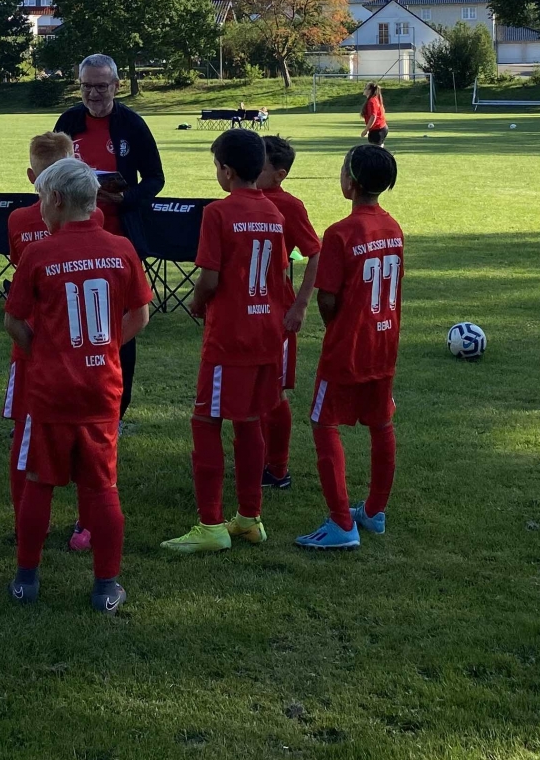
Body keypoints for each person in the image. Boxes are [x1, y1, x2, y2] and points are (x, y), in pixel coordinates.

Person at [3, 158, 153, 612]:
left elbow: (14, 321)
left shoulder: (39, 253)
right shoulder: (121, 248)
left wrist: (46, 352)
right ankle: (106, 586)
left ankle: (26, 579)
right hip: (100, 386)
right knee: (102, 486)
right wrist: (106, 347)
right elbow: (141, 314)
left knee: (38, 482)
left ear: (56, 200)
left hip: (51, 388)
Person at [162, 128, 289, 555]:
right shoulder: (273, 212)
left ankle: (211, 524)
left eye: (216, 166)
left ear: (227, 171)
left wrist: (196, 304)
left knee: (206, 422)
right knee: (249, 421)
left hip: (230, 336)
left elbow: (211, 278)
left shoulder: (218, 212)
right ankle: (250, 518)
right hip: (266, 332)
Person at [297, 144, 403, 550]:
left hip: (349, 345)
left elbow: (327, 298)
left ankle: (342, 523)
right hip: (384, 341)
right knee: (381, 423)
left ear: (351, 182)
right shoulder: (393, 227)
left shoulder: (340, 233)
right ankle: (374, 511)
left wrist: (338, 328)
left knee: (324, 423)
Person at [53, 54, 164, 421]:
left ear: (117, 85)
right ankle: (69, 401)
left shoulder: (132, 124)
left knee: (119, 325)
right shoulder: (69, 121)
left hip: (119, 238)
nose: (93, 94)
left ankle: (117, 408)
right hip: (73, 237)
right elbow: (53, 171)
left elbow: (155, 178)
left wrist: (125, 197)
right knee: (70, 323)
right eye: (86, 86)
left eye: (101, 86)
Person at [5, 131, 104, 541]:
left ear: (34, 178)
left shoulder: (19, 221)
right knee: (88, 439)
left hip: (34, 344)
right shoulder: (96, 220)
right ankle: (86, 524)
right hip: (86, 348)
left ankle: (28, 523)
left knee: (25, 438)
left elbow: (19, 294)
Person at [257, 136, 322, 492]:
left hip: (275, 311)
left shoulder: (289, 206)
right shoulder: (238, 199)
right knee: (248, 389)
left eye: (261, 165)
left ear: (279, 174)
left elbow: (315, 252)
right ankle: (256, 459)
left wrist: (301, 304)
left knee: (273, 390)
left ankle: (278, 468)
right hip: (241, 312)